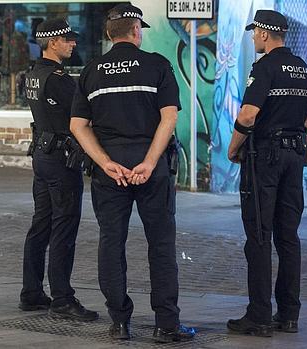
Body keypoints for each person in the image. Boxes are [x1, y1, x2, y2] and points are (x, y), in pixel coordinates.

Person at [70, 3, 195, 343]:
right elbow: (169, 119)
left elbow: (78, 125)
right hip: (150, 166)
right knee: (161, 245)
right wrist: (151, 162)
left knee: (112, 243)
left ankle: (120, 322)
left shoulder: (92, 70)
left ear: (110, 34)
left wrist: (104, 162)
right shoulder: (157, 65)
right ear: (137, 31)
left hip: (110, 169)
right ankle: (166, 325)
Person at [227, 10, 307, 337]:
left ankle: (259, 316)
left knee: (260, 236)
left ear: (264, 34)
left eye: (255, 33)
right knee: (288, 237)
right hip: (295, 158)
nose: (253, 38)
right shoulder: (303, 69)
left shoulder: (264, 68)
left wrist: (233, 147)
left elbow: (248, 115)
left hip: (266, 158)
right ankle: (289, 314)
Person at [20, 18, 98, 322]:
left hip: (41, 154)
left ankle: (32, 292)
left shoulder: (32, 75)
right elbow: (82, 116)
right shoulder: (60, 79)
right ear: (53, 43)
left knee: (41, 224)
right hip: (61, 160)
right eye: (68, 39)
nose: (73, 43)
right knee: (64, 227)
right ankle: (63, 298)